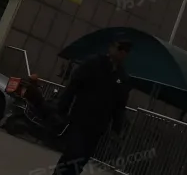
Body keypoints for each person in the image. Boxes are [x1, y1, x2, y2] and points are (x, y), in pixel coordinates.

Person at [52, 39, 133, 175]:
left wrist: (116, 129)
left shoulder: (122, 77)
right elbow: (74, 86)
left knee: (82, 159)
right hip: (80, 119)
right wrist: (62, 108)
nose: (121, 52)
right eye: (119, 48)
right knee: (73, 153)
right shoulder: (94, 63)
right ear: (112, 47)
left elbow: (120, 105)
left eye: (125, 50)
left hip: (98, 126)